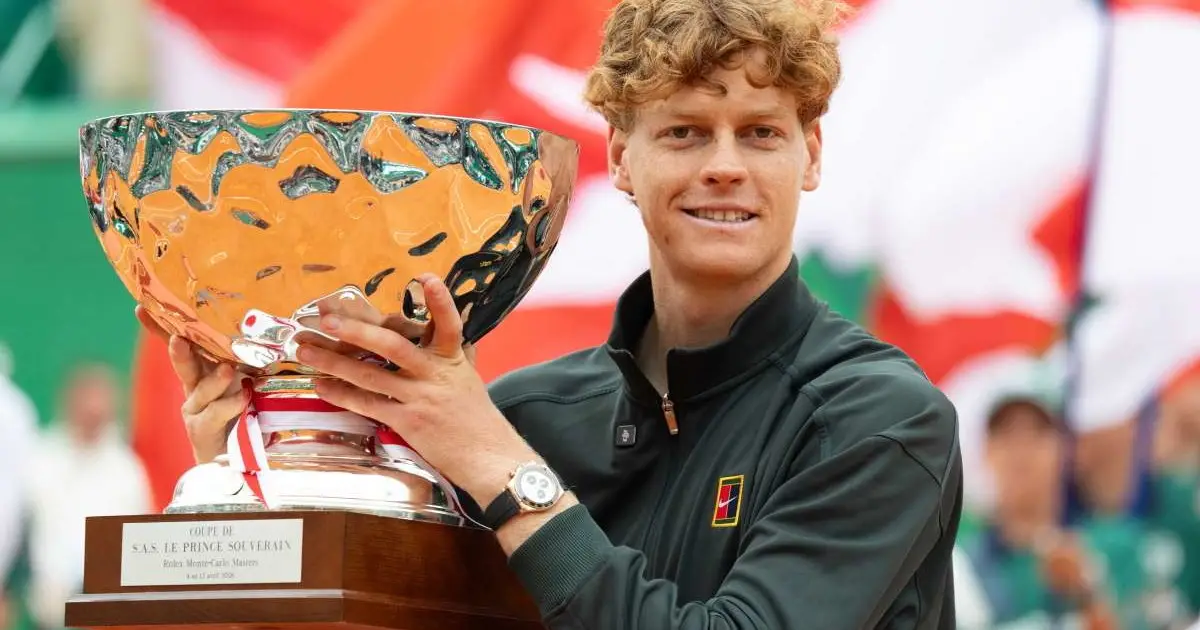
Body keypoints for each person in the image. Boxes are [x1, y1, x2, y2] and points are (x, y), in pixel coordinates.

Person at [148, 0, 963, 627]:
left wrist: (507, 471)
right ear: (620, 157)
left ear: (809, 155)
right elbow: (375, 612)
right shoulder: (528, 415)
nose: (724, 166)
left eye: (759, 134)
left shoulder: (880, 419)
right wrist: (253, 478)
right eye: (684, 132)